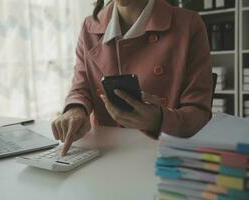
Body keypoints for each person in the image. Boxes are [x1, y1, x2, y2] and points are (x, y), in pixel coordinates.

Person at [52, 0, 212, 156]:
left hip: (161, 158)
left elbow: (199, 115)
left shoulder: (189, 24)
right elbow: (81, 87)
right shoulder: (89, 27)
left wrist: (158, 120)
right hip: (103, 154)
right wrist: (75, 109)